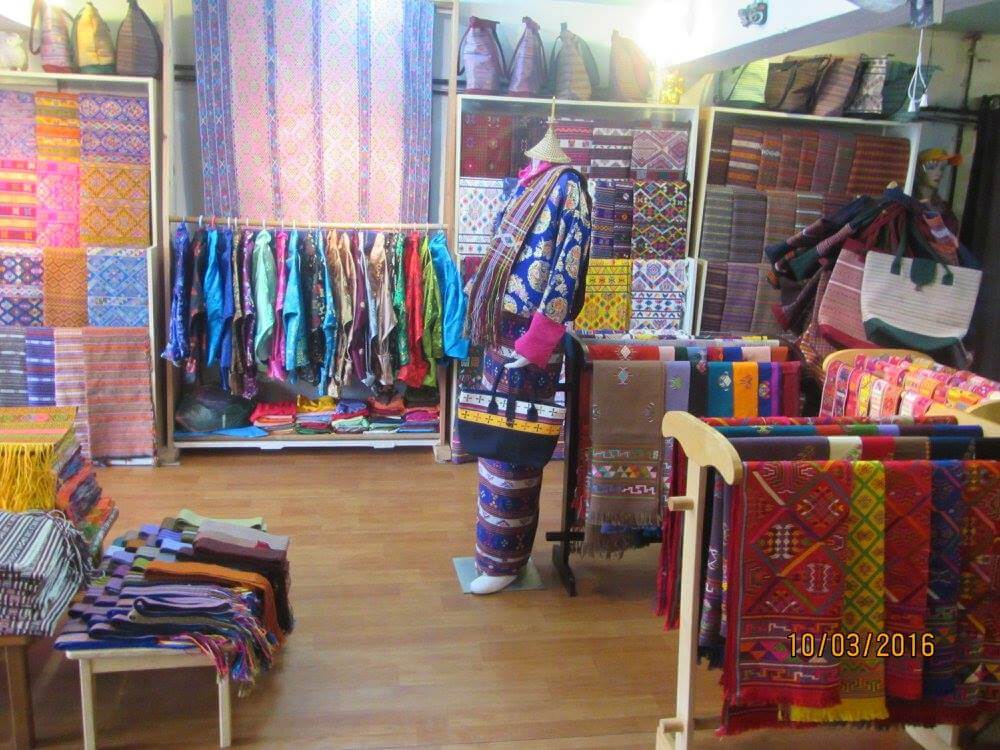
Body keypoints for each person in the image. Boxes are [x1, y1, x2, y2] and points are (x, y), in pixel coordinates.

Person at [464, 118, 592, 595]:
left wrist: (538, 341)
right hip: (500, 331)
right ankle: (490, 552)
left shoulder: (567, 189)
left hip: (527, 337)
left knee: (514, 450)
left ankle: (506, 560)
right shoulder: (528, 184)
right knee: (493, 443)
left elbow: (567, 269)